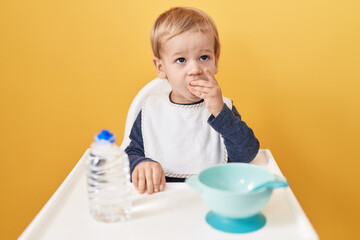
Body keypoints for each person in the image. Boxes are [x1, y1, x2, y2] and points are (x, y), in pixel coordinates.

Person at [125, 7, 259, 194]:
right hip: (163, 198)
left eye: (204, 57)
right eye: (181, 60)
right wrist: (141, 164)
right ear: (161, 67)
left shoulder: (222, 110)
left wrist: (220, 113)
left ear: (216, 60)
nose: (195, 69)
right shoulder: (151, 110)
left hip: (212, 197)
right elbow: (131, 154)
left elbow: (246, 155)